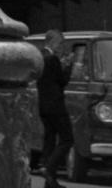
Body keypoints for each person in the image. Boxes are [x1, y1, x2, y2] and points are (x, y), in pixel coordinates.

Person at [37, 29, 74, 188]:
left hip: (43, 105)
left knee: (50, 138)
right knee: (67, 139)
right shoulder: (52, 59)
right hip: (56, 105)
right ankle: (49, 168)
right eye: (60, 43)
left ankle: (50, 181)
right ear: (51, 42)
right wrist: (69, 66)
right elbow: (62, 81)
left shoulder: (39, 56)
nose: (61, 47)